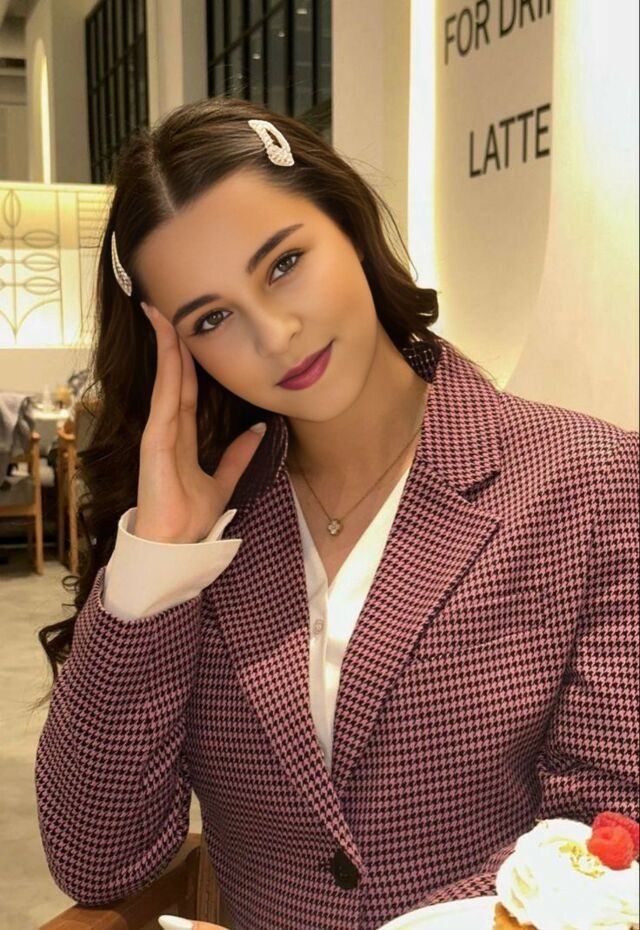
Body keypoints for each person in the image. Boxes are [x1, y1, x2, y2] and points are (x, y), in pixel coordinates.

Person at [35, 97, 639, 930]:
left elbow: (607, 843)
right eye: (213, 318)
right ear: (180, 349)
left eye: (284, 263)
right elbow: (99, 859)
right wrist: (157, 563)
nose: (276, 334)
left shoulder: (590, 482)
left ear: (347, 222)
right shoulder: (209, 522)